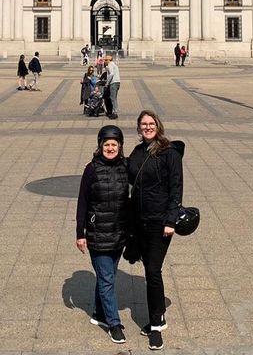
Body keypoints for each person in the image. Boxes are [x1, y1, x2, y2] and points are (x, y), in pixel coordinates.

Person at [128, 110, 184, 351]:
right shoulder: (138, 152)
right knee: (148, 267)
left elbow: (176, 188)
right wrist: (98, 159)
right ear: (139, 128)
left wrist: (171, 220)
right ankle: (157, 314)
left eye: (151, 124)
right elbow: (126, 169)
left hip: (160, 222)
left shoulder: (169, 153)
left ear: (158, 126)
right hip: (140, 220)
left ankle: (156, 324)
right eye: (144, 124)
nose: (148, 127)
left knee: (152, 270)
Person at [76, 125, 130, 345]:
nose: (110, 148)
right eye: (106, 144)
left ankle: (99, 313)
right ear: (100, 146)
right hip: (98, 233)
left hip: (119, 232)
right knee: (107, 278)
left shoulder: (126, 167)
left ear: (120, 146)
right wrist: (80, 233)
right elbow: (82, 202)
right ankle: (113, 323)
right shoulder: (92, 169)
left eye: (114, 144)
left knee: (107, 276)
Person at [104, 54, 121, 120]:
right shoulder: (114, 65)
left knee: (113, 98)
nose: (104, 61)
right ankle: (112, 111)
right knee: (114, 98)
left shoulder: (110, 64)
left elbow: (111, 74)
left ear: (109, 60)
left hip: (113, 83)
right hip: (117, 82)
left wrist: (107, 83)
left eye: (105, 60)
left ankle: (114, 113)